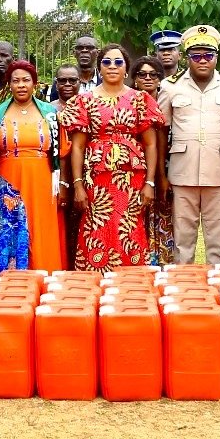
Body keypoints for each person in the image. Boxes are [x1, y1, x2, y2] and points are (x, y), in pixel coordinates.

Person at [59, 43, 165, 270]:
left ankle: (131, 285)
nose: (113, 66)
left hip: (132, 179)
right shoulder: (84, 101)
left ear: (126, 68)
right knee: (96, 227)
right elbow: (77, 147)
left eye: (118, 62)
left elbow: (151, 144)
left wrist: (150, 182)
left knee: (129, 228)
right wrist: (77, 185)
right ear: (99, 68)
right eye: (106, 62)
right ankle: (93, 288)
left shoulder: (140, 100)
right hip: (96, 179)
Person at [159, 24, 220, 266]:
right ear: (187, 58)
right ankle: (183, 292)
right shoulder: (170, 86)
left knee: (217, 243)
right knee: (182, 242)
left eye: (208, 55)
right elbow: (161, 132)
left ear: (216, 57)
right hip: (181, 171)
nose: (202, 61)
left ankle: (216, 295)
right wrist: (161, 174)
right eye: (196, 56)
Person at [0, 59, 61, 272]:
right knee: (9, 230)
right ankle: (9, 283)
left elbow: (61, 151)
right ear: (9, 84)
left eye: (26, 80)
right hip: (7, 183)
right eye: (15, 80)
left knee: (40, 230)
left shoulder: (50, 113)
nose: (21, 85)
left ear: (34, 84)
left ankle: (45, 279)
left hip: (42, 181)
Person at [129, 55, 174, 266]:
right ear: (134, 79)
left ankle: (162, 264)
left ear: (160, 79)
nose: (148, 78)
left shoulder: (168, 102)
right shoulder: (127, 104)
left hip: (166, 170)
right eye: (142, 74)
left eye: (153, 75)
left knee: (165, 218)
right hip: (135, 172)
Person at [51, 61, 83, 267]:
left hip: (84, 173)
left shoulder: (88, 105)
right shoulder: (49, 110)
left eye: (72, 80)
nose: (68, 84)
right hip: (58, 175)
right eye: (62, 80)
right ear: (56, 83)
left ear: (80, 82)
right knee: (60, 225)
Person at [45, 36, 100, 100]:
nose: (84, 51)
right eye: (80, 48)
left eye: (90, 48)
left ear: (97, 53)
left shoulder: (104, 80)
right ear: (74, 53)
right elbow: (55, 106)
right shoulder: (61, 80)